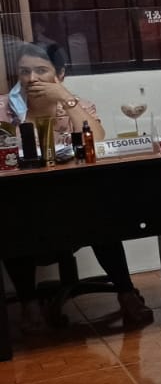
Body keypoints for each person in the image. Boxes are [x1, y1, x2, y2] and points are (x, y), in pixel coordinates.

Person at [2, 41, 151, 330]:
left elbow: (98, 141)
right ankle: (28, 304)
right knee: (9, 217)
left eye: (41, 70)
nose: (32, 79)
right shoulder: (4, 109)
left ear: (60, 73)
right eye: (24, 71)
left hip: (74, 206)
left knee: (100, 212)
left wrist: (64, 98)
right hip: (24, 206)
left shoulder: (76, 105)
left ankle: (126, 293)